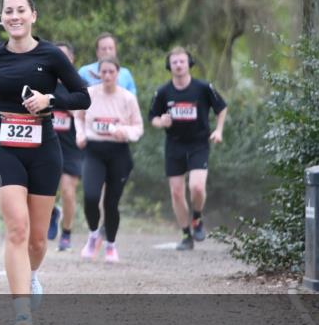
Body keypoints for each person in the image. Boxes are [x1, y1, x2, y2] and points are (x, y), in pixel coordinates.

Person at [0, 0, 90, 325]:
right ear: (1, 19)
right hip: (3, 147)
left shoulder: (51, 55)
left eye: (21, 10)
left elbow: (83, 97)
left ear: (33, 15)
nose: (15, 16)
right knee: (17, 228)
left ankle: (31, 275)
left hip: (44, 150)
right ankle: (22, 316)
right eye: (8, 11)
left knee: (36, 239)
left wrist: (50, 100)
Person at [148, 47, 227, 251]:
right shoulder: (163, 92)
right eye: (174, 62)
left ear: (189, 64)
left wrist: (219, 130)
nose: (178, 65)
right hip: (174, 144)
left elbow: (221, 107)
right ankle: (186, 235)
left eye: (182, 61)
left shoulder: (203, 88)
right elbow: (152, 117)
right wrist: (161, 121)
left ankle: (197, 218)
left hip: (198, 143)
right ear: (169, 66)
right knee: (176, 192)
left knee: (197, 187)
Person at [74, 58, 143, 263]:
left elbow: (138, 127)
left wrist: (125, 132)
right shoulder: (90, 94)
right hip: (94, 151)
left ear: (118, 73)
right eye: (103, 72)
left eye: (111, 72)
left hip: (118, 152)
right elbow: (78, 116)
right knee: (91, 196)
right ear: (99, 73)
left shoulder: (127, 98)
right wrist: (80, 134)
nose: (107, 76)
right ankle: (93, 234)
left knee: (111, 203)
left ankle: (110, 245)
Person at [45, 42, 83, 252]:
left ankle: (66, 233)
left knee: (68, 191)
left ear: (72, 59)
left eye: (64, 55)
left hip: (71, 147)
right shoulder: (42, 82)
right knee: (44, 191)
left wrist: (70, 107)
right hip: (45, 144)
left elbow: (87, 112)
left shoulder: (78, 84)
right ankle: (52, 213)